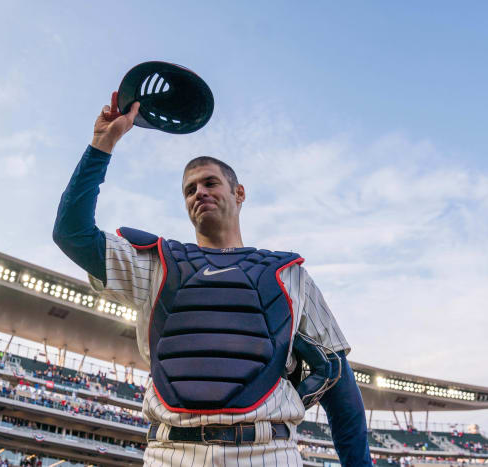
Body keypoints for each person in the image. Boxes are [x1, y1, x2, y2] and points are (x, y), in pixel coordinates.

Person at [53, 92, 372, 465]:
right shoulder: (157, 263)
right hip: (173, 453)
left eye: (209, 183)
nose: (199, 193)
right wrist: (102, 145)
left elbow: (339, 385)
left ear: (239, 193)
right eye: (190, 190)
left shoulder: (289, 275)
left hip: (268, 452)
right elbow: (71, 233)